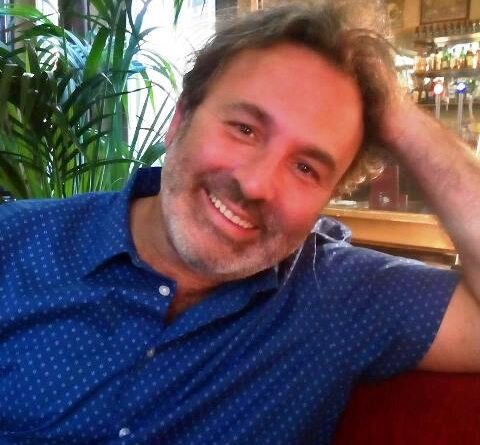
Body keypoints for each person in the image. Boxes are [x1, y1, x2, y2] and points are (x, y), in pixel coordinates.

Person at [0, 3, 479, 444]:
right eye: (244, 129)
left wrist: (394, 113)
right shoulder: (13, 243)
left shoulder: (339, 296)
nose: (255, 185)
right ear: (179, 119)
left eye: (306, 168)